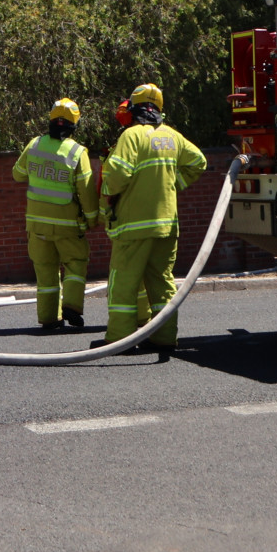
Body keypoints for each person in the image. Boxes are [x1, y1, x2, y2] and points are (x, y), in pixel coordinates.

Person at [95, 83, 206, 361]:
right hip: (166, 225)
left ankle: (119, 339)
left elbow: (117, 175)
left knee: (124, 282)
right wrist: (172, 185)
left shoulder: (131, 135)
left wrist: (106, 192)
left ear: (134, 109)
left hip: (133, 225)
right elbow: (199, 162)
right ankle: (164, 338)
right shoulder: (172, 136)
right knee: (162, 282)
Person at [11, 99, 99, 330]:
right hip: (67, 225)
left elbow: (18, 174)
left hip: (36, 225)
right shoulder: (77, 152)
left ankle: (50, 318)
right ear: (74, 124)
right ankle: (71, 306)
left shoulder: (34, 145)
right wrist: (92, 219)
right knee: (76, 263)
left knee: (45, 272)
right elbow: (86, 191)